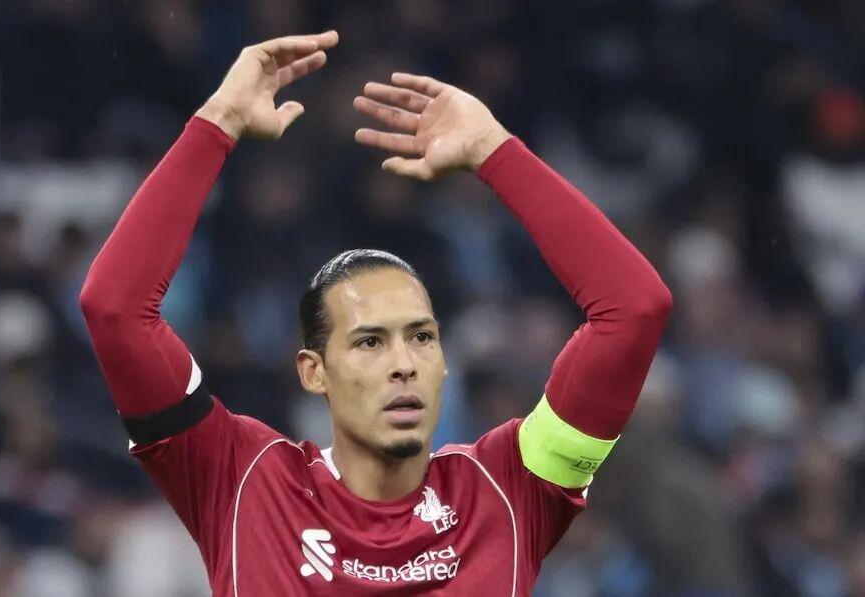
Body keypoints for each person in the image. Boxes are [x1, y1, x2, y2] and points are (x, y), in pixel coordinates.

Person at [79, 29, 673, 596]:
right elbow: (114, 309)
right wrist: (217, 123)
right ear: (314, 371)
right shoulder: (240, 480)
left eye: (421, 337)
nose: (403, 363)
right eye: (369, 341)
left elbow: (635, 309)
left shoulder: (512, 487)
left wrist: (496, 152)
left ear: (444, 363)